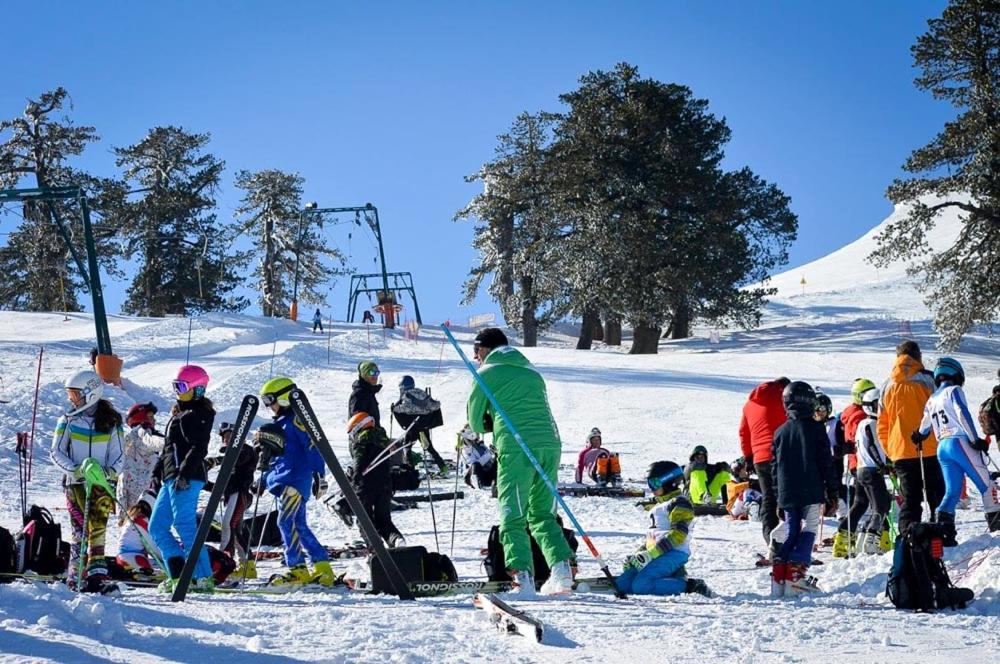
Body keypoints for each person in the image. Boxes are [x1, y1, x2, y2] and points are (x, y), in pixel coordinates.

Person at [466, 327, 574, 596]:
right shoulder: (531, 371)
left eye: (476, 351)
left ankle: (521, 579)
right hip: (550, 444)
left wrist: (489, 421)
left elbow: (475, 421)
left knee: (512, 512)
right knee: (542, 513)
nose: (475, 357)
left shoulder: (486, 373)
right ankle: (561, 572)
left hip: (517, 447)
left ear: (484, 349)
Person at [50, 369, 125, 591]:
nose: (71, 400)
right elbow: (56, 452)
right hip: (76, 484)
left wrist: (110, 472)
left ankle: (97, 575)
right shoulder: (68, 421)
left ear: (90, 393)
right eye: (70, 395)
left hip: (101, 484)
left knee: (98, 529)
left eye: (75, 394)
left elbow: (119, 454)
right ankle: (76, 573)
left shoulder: (112, 422)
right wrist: (76, 469)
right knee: (80, 528)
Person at [259, 377, 336, 586]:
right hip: (286, 478)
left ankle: (297, 568)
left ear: (284, 397)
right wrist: (263, 479)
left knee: (284, 521)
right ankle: (322, 567)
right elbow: (277, 458)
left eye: (270, 400)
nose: (268, 406)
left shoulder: (296, 421)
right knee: (299, 524)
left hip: (294, 478)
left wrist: (319, 474)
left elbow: (313, 445)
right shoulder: (281, 424)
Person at [914, 357, 1000, 542]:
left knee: (952, 491)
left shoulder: (932, 398)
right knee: (988, 486)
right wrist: (974, 439)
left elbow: (924, 425)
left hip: (942, 447)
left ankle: (944, 533)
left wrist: (920, 435)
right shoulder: (954, 390)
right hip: (959, 442)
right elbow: (962, 413)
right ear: (957, 374)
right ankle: (997, 529)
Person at [148, 365, 216, 593]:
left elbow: (199, 447)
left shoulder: (196, 414)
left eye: (183, 387)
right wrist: (157, 476)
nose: (178, 392)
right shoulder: (180, 413)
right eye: (176, 387)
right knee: (157, 526)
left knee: (184, 524)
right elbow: (169, 450)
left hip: (186, 477)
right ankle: (178, 575)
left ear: (197, 390)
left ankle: (203, 576)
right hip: (171, 478)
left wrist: (184, 474)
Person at [769, 381, 839, 598]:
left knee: (792, 530)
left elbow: (774, 467)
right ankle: (796, 575)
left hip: (787, 491)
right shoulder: (816, 429)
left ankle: (780, 576)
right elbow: (825, 462)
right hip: (811, 488)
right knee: (809, 526)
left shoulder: (780, 432)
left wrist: (777, 496)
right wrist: (833, 491)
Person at [615, 461, 711, 597]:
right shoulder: (659, 505)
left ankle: (689, 585)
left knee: (641, 586)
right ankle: (673, 575)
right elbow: (655, 536)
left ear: (669, 483)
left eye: (655, 483)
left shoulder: (679, 503)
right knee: (623, 584)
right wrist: (638, 555)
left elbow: (678, 534)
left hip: (674, 552)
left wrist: (651, 554)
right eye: (650, 484)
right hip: (656, 552)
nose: (652, 488)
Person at [878, 340, 945, 534]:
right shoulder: (929, 379)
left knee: (910, 500)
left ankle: (907, 539)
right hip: (930, 447)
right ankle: (941, 534)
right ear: (918, 356)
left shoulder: (886, 386)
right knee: (937, 496)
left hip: (900, 452)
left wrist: (890, 449)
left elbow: (882, 424)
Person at [835, 388, 893, 556]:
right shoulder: (871, 424)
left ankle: (844, 536)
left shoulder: (863, 423)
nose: (881, 408)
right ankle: (871, 541)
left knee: (860, 504)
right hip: (871, 470)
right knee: (881, 506)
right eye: (877, 405)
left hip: (861, 469)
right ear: (869, 406)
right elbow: (872, 446)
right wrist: (882, 464)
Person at [738, 377, 790, 554]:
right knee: (786, 494)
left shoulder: (749, 405)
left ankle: (770, 538)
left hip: (760, 458)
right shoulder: (784, 398)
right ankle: (786, 535)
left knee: (768, 497)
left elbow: (743, 433)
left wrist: (748, 457)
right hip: (781, 453)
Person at [347, 411, 414, 547]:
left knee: (364, 520)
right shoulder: (383, 440)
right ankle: (396, 540)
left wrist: (354, 480)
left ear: (358, 426)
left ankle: (375, 547)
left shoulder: (360, 441)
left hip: (366, 486)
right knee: (383, 520)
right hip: (385, 484)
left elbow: (359, 463)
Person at [212, 421, 259, 579]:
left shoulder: (246, 450)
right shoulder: (230, 454)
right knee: (235, 530)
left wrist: (219, 459)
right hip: (232, 494)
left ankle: (224, 561)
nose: (226, 440)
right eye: (224, 437)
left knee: (228, 525)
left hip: (240, 493)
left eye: (229, 436)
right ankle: (247, 566)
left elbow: (239, 459)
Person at [117, 402, 163, 527]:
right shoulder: (141, 432)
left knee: (132, 528)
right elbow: (153, 442)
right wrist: (169, 442)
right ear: (141, 417)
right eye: (151, 417)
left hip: (130, 491)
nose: (154, 420)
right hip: (143, 493)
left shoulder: (128, 438)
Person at [391, 375, 448, 475]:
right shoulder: (422, 393)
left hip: (412, 427)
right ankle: (442, 466)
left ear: (403, 387)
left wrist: (394, 408)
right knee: (429, 447)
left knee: (407, 447)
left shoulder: (406, 396)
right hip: (424, 427)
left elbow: (405, 408)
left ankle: (410, 469)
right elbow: (435, 405)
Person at [115, 491, 160, 577]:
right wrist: (171, 558)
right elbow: (152, 547)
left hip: (123, 557)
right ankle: (139, 573)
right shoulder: (141, 520)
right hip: (133, 558)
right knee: (150, 569)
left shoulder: (131, 516)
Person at [456, 425, 496, 489]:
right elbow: (473, 463)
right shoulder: (465, 450)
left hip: (488, 473)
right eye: (476, 432)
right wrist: (490, 454)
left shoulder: (480, 445)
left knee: (497, 459)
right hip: (479, 476)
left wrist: (495, 454)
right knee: (475, 465)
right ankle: (476, 483)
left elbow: (489, 458)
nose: (478, 435)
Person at [349, 360, 382, 427]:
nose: (375, 376)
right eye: (372, 372)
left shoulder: (369, 392)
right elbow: (355, 423)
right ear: (364, 374)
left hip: (372, 435)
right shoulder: (359, 394)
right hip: (364, 436)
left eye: (377, 373)